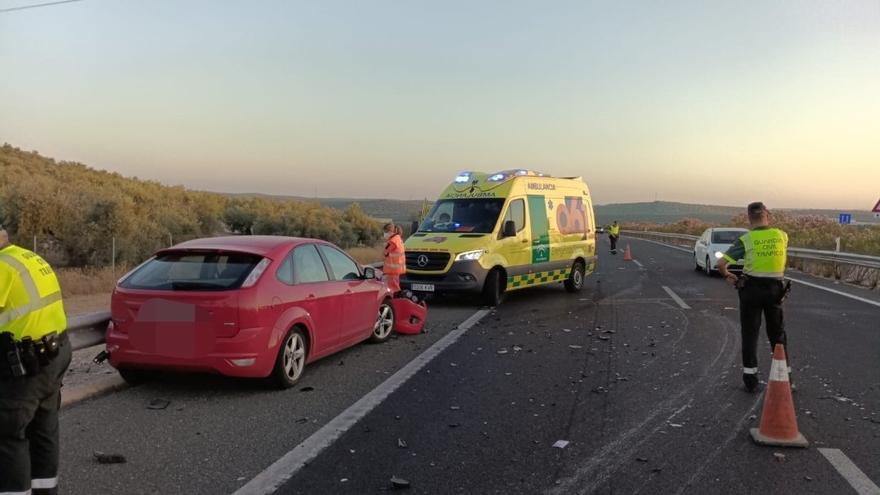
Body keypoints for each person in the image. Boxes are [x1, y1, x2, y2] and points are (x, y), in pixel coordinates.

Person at [0, 224, 71, 495]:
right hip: (55, 355)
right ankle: (46, 490)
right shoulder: (27, 257)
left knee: (7, 437)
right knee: (43, 430)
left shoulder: (1, 269)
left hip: (23, 367)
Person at [717, 202, 791, 393]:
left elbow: (721, 262)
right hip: (775, 290)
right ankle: (786, 378)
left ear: (749, 218)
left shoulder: (746, 239)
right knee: (777, 334)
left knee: (750, 334)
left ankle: (750, 379)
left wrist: (728, 276)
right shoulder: (781, 236)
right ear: (768, 215)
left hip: (751, 290)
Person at [383, 223, 406, 294]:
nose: (384, 234)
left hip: (392, 270)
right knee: (395, 286)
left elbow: (385, 252)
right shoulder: (398, 239)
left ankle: (396, 301)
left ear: (390, 231)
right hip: (396, 268)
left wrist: (384, 246)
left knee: (394, 288)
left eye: (385, 232)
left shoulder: (393, 241)